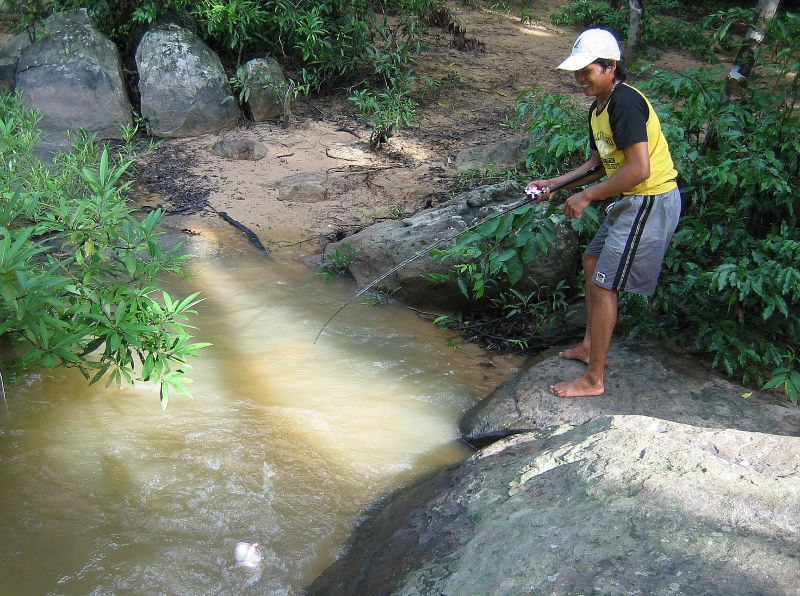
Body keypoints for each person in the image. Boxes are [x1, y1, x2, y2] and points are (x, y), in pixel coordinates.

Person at [527, 28, 681, 398]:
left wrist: (586, 197)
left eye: (587, 71)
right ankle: (589, 347)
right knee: (592, 262)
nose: (580, 79)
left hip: (649, 200)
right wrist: (554, 184)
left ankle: (594, 380)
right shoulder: (598, 108)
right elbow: (599, 164)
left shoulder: (625, 102)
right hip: (627, 200)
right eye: (576, 72)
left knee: (603, 283)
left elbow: (639, 169)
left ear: (610, 67)